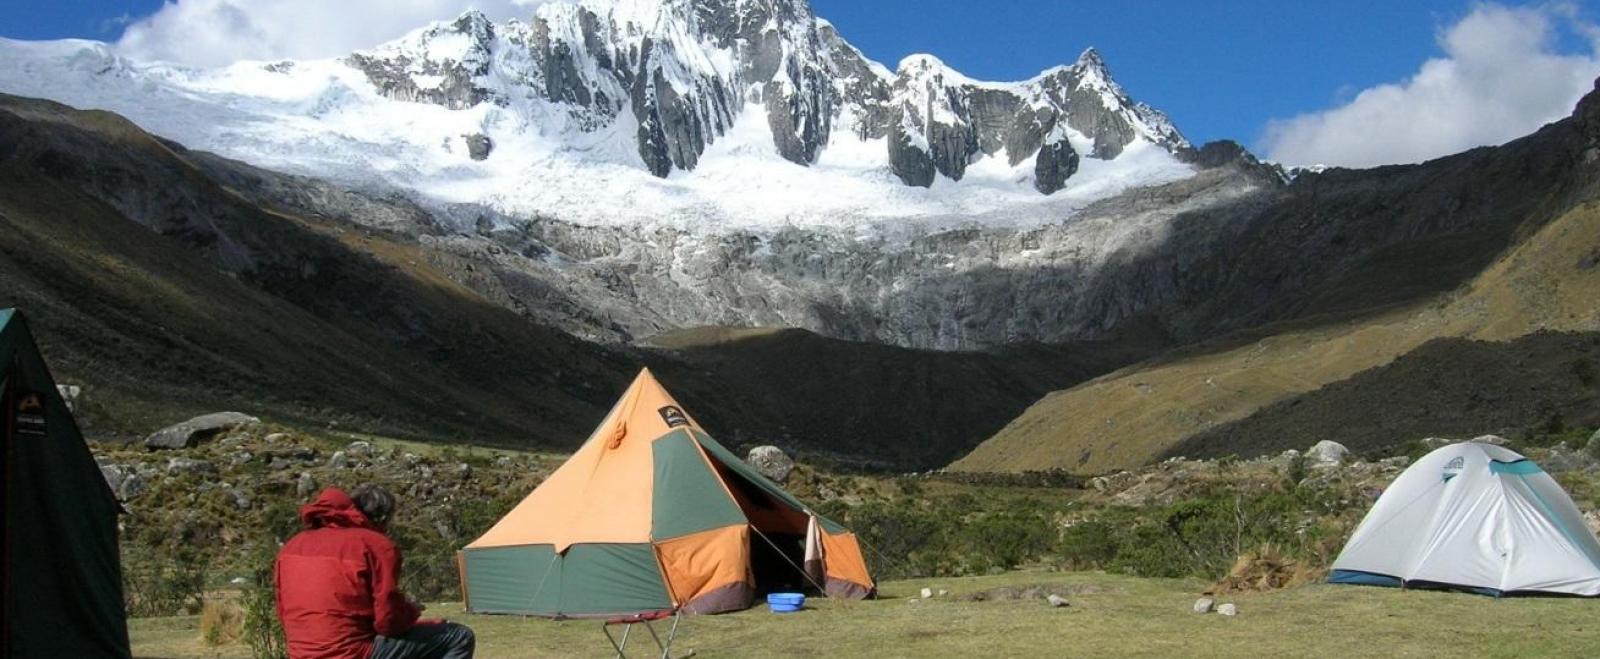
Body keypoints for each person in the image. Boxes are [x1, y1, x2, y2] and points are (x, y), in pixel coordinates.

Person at [276, 484, 475, 659]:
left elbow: (282, 611)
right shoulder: (376, 545)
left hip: (301, 652)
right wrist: (411, 611)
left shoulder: (291, 546)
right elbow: (388, 622)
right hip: (353, 652)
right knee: (459, 637)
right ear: (383, 518)